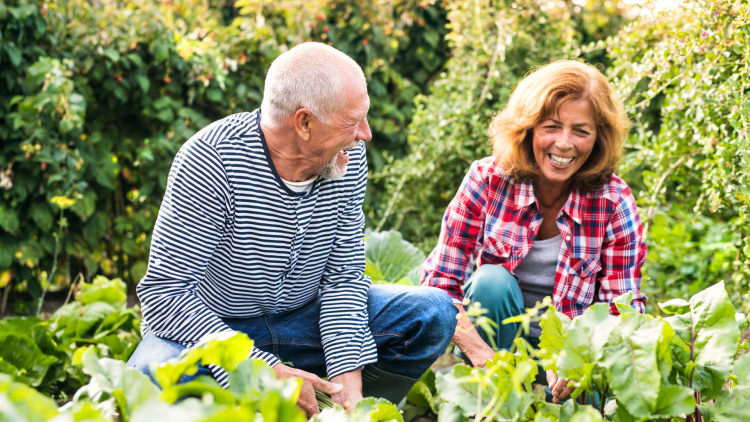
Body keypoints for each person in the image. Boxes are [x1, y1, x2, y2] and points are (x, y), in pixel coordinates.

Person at [126, 42, 457, 417]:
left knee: (433, 314)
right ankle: (260, 402)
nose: (365, 133)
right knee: (151, 376)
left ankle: (329, 408)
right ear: (304, 123)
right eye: (353, 121)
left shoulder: (344, 157)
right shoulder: (212, 160)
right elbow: (165, 294)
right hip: (219, 330)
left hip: (304, 323)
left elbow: (343, 279)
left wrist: (349, 382)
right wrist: (262, 368)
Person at [421, 60, 647, 404]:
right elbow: (439, 286)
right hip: (495, 350)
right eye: (551, 126)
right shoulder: (487, 180)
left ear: (599, 138)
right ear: (528, 127)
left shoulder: (613, 201)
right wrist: (483, 356)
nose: (565, 144)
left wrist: (578, 359)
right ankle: (492, 401)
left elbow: (622, 309)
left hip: (571, 362)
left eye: (581, 131)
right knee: (491, 281)